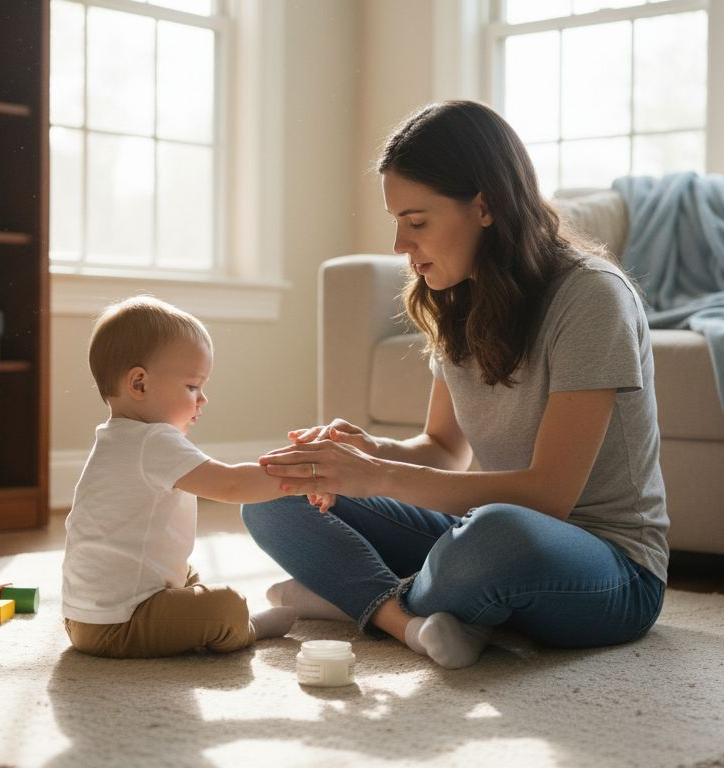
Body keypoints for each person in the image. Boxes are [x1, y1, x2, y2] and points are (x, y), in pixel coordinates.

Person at [242, 100, 668, 669]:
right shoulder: (456, 297)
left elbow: (549, 497)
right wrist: (364, 455)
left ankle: (355, 597)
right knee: (274, 489)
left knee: (497, 534)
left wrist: (380, 477)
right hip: (479, 538)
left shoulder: (592, 296)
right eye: (396, 222)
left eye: (417, 222)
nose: (400, 245)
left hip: (610, 568)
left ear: (485, 207)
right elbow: (443, 449)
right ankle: (411, 608)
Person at [61, 295, 296, 658]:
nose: (202, 399)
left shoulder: (115, 437)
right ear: (139, 384)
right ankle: (247, 627)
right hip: (121, 623)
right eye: (192, 386)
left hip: (85, 618)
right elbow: (231, 484)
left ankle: (197, 616)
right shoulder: (153, 439)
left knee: (185, 573)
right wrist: (302, 475)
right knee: (226, 606)